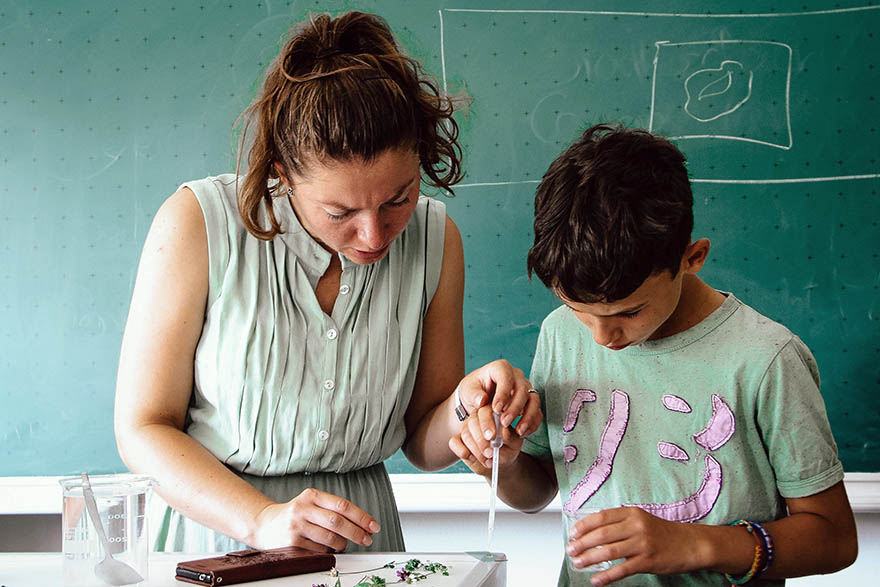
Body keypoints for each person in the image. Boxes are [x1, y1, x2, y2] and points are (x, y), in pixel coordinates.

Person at [114, 11, 540, 555]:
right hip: (218, 536)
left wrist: (466, 406)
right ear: (283, 175)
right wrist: (262, 520)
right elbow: (143, 429)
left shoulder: (438, 240)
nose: (373, 234)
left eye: (398, 199)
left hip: (362, 543)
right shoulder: (197, 222)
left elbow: (422, 440)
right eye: (340, 211)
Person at [449, 124, 858, 585]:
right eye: (579, 310)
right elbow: (539, 490)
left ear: (692, 257)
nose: (602, 337)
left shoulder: (766, 360)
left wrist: (696, 544)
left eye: (629, 311)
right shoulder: (559, 334)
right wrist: (498, 462)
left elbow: (834, 539)